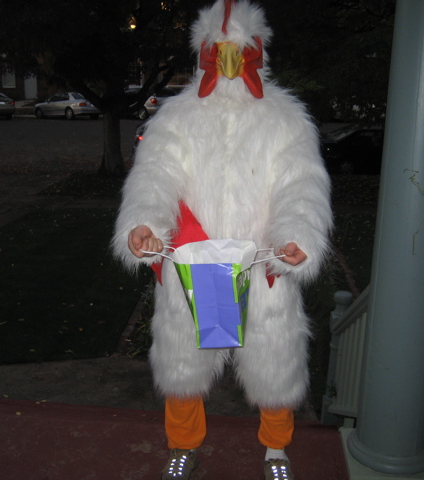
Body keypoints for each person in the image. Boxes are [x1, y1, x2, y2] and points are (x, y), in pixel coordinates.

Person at [111, 1, 333, 478]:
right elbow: (155, 174)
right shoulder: (176, 118)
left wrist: (297, 233)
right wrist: (145, 222)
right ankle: (182, 445)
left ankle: (276, 449)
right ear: (204, 53)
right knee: (185, 362)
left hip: (262, 263)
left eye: (239, 50)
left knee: (273, 361)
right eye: (220, 50)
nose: (230, 61)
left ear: (257, 52)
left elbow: (301, 184)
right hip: (196, 265)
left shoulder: (285, 119)